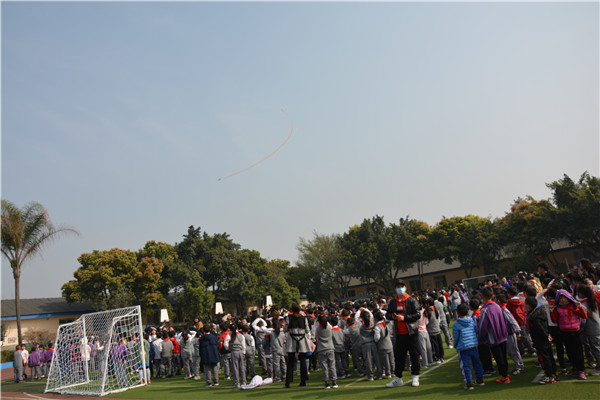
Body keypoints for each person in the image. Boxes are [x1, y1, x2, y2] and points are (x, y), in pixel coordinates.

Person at [386, 280, 421, 388]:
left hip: (411, 333)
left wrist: (404, 318)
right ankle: (398, 378)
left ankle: (415, 376)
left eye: (401, 286)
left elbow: (417, 315)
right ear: (395, 289)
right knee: (399, 357)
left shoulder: (411, 300)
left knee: (414, 355)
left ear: (405, 288)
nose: (400, 288)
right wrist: (393, 316)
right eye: (398, 287)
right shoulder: (393, 302)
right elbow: (387, 314)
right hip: (399, 334)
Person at [551, 289, 588, 379]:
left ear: (568, 298)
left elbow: (584, 316)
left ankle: (581, 370)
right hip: (564, 332)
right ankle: (576, 368)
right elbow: (554, 320)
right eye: (560, 298)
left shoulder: (573, 306)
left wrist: (580, 307)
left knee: (578, 352)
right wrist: (552, 312)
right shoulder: (557, 308)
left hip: (575, 331)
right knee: (569, 352)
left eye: (564, 298)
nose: (563, 300)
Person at [478, 287, 510, 384]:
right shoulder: (497, 306)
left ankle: (504, 377)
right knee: (503, 357)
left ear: (482, 296)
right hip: (503, 335)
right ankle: (505, 374)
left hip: (494, 338)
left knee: (499, 358)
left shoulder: (485, 309)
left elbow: (483, 327)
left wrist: (481, 338)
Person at [525, 297, 558, 384]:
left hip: (540, 340)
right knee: (549, 356)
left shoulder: (534, 317)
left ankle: (549, 376)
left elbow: (540, 328)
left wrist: (546, 335)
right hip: (544, 339)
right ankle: (553, 374)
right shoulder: (539, 312)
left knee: (544, 358)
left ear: (529, 305)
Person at [453, 304, 484, 390]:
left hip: (463, 348)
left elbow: (456, 337)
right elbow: (475, 331)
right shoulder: (471, 321)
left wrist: (456, 346)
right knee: (477, 363)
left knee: (465, 366)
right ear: (467, 311)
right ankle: (480, 379)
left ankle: (469, 383)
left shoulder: (457, 324)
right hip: (473, 345)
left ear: (457, 313)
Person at [283, 303, 312, 388]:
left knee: (290, 362)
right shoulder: (304, 318)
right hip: (302, 339)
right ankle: (303, 381)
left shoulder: (289, 318)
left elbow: (285, 329)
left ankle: (288, 382)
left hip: (292, 340)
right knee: (303, 361)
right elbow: (307, 330)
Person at [576, 285, 600, 376]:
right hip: (595, 327)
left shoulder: (585, 304)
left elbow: (582, 316)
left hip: (593, 329)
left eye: (578, 293)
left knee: (596, 349)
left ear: (582, 293)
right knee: (596, 348)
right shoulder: (591, 301)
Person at [315, 314, 337, 389]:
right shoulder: (329, 327)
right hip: (330, 347)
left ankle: (327, 383)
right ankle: (334, 381)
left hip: (321, 349)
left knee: (324, 367)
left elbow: (316, 338)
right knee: (332, 365)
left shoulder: (318, 329)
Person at [224, 322, 247, 389]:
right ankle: (244, 381)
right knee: (242, 367)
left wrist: (228, 348)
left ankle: (237, 383)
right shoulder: (241, 335)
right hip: (240, 351)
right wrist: (243, 352)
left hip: (234, 351)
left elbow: (225, 344)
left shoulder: (229, 335)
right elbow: (243, 345)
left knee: (235, 368)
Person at [374, 310, 394, 379]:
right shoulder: (386, 324)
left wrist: (376, 340)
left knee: (386, 361)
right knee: (391, 359)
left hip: (383, 345)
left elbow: (377, 338)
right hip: (389, 344)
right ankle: (393, 371)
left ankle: (388, 373)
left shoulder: (377, 326)